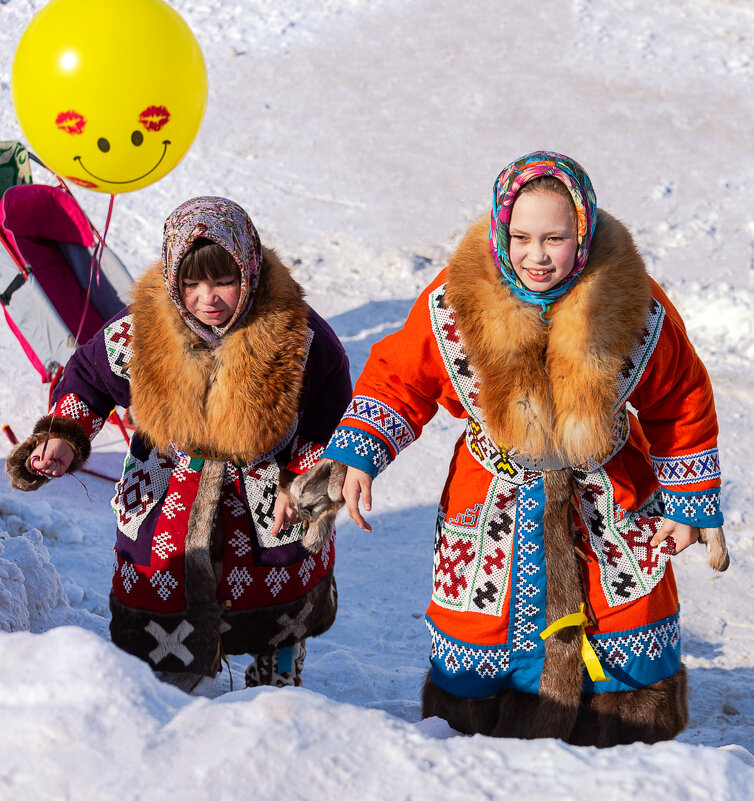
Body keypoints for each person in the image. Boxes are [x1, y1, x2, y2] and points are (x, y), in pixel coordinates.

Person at [289, 152, 729, 746]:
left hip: (606, 499)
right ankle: (480, 758)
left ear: (584, 232)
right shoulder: (455, 302)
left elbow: (680, 398)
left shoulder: (633, 303)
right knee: (481, 644)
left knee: (624, 628)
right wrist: (360, 453)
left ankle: (622, 760)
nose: (536, 255)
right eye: (520, 237)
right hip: (492, 500)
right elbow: (401, 378)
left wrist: (687, 501)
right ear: (500, 228)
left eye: (555, 238)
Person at [7, 196, 352, 692]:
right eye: (191, 283)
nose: (207, 298)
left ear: (249, 269)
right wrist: (65, 435)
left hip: (267, 498)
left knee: (275, 597)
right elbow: (87, 379)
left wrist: (302, 482)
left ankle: (275, 677)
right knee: (160, 601)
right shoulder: (142, 331)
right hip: (170, 491)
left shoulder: (301, 337)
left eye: (223, 281)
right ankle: (164, 692)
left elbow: (328, 418)